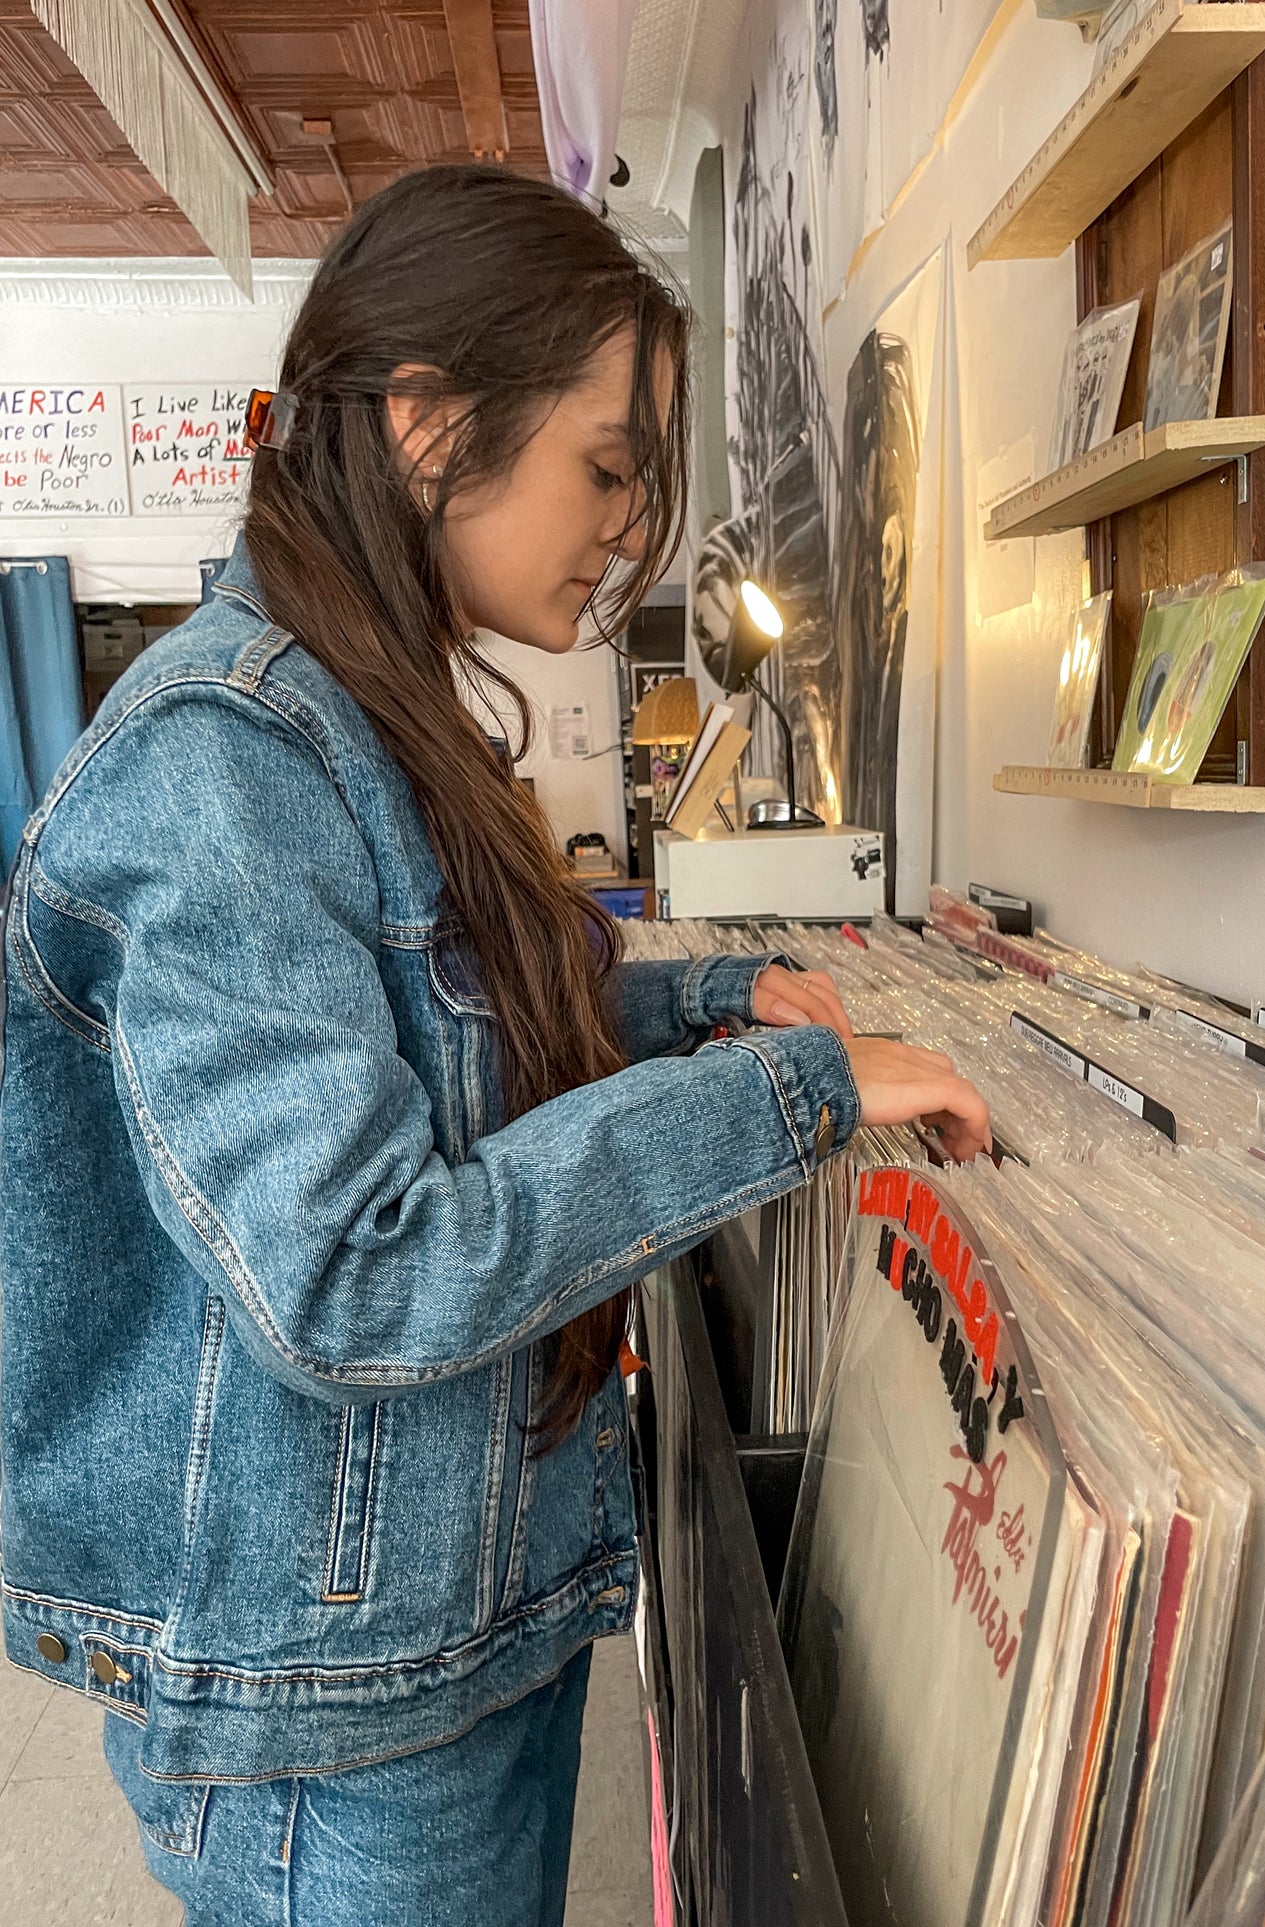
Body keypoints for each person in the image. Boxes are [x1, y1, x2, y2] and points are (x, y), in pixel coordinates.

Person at [0, 164, 989, 1926]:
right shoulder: (223, 755)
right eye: (607, 468)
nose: (626, 530)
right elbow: (364, 1266)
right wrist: (784, 1100)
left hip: (443, 1635)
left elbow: (413, 1035)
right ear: (430, 422)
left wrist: (698, 1004)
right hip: (341, 1727)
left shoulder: (356, 711)